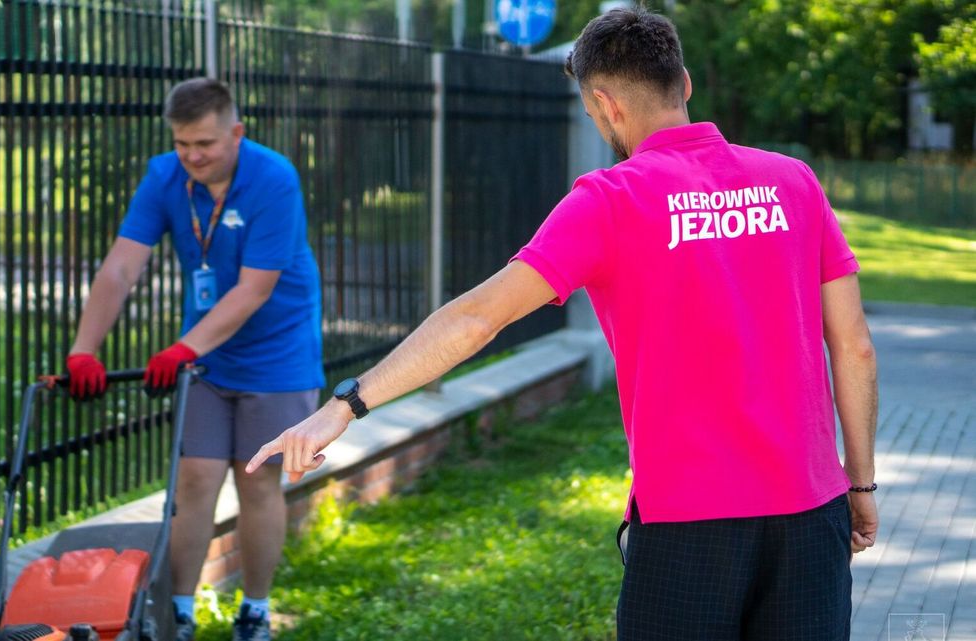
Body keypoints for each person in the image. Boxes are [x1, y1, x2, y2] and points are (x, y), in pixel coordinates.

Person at [248, 7, 879, 640]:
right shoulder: (793, 182)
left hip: (690, 522)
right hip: (811, 512)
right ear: (684, 84)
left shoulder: (610, 201)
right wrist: (860, 480)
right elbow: (853, 348)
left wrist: (345, 405)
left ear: (604, 104)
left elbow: (474, 320)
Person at [65, 77, 324, 641]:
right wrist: (84, 350)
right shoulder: (165, 177)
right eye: (182, 144)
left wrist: (184, 348)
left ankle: (254, 611)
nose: (192, 156)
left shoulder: (273, 178)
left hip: (277, 355)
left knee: (258, 483)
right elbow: (120, 269)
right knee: (193, 481)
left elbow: (254, 289)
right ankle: (178, 614)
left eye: (204, 143)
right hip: (206, 356)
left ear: (237, 132)